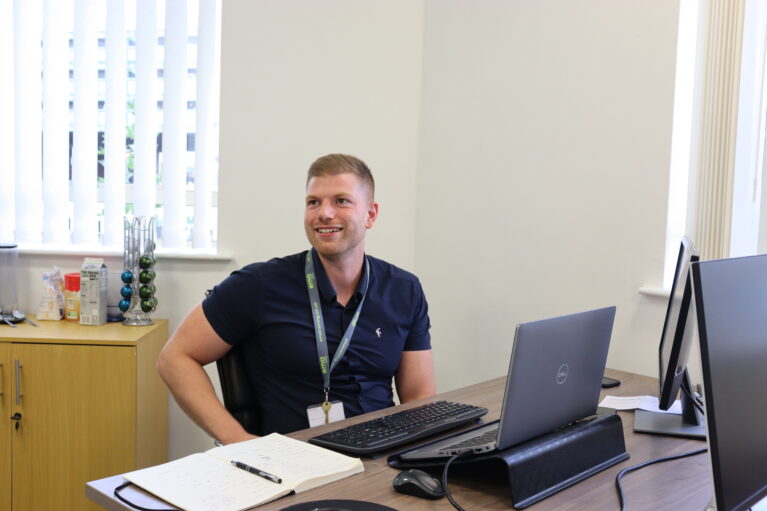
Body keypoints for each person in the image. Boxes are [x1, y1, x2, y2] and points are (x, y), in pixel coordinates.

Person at [157, 154, 436, 444]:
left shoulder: (404, 290)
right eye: (313, 202)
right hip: (296, 464)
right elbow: (174, 358)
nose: (324, 214)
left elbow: (418, 397)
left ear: (371, 214)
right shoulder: (258, 286)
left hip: (383, 457)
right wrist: (237, 440)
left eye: (341, 201)